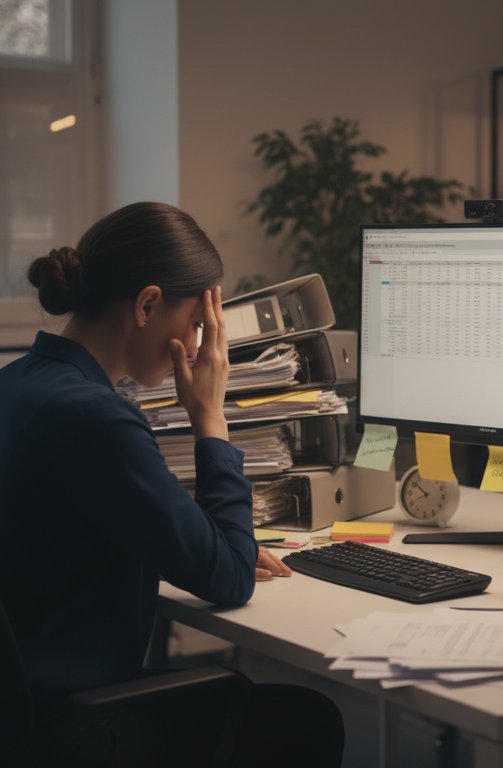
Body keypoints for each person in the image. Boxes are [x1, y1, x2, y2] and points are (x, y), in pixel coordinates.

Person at [0, 202, 343, 766]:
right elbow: (230, 580)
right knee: (305, 720)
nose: (204, 343)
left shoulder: (18, 383)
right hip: (70, 726)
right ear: (148, 305)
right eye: (200, 323)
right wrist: (209, 415)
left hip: (27, 703)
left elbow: (61, 536)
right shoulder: (98, 418)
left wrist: (201, 537)